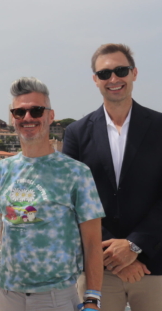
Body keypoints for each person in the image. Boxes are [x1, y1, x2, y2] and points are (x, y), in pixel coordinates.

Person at [0, 77, 104, 311]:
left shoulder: (76, 172)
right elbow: (6, 226)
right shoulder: (2, 169)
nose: (27, 118)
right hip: (6, 295)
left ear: (50, 116)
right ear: (12, 119)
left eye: (36, 111)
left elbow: (92, 243)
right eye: (19, 112)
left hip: (56, 298)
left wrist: (92, 299)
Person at [63, 44, 162, 311]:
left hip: (155, 266)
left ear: (134, 73)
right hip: (98, 271)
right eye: (105, 73)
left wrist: (134, 246)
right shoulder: (76, 133)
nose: (113, 79)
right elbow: (71, 198)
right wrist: (112, 255)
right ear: (95, 80)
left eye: (121, 70)